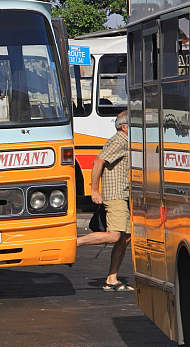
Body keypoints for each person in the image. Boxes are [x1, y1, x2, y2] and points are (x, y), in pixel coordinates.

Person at [77, 110, 133, 292]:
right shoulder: (119, 140)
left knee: (125, 238)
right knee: (115, 235)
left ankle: (112, 278)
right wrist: (94, 191)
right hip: (115, 195)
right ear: (124, 127)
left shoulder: (127, 141)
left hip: (123, 195)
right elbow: (98, 161)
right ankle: (74, 243)